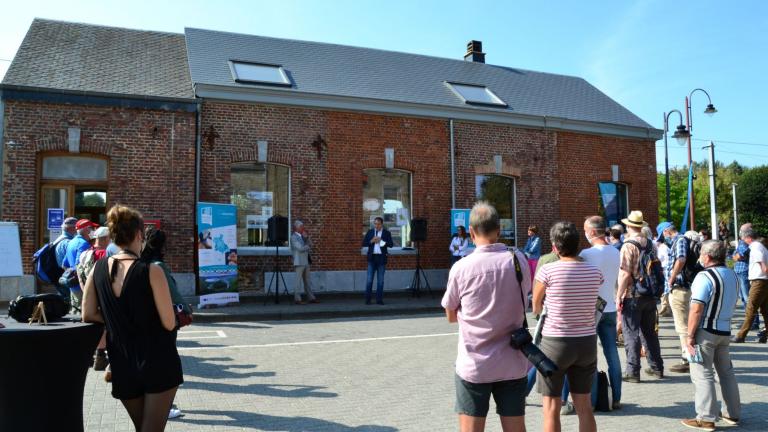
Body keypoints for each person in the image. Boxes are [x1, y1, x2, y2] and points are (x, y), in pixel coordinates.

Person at [82, 204, 182, 432]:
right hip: (157, 360)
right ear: (139, 234)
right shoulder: (151, 271)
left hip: (122, 362)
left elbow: (87, 314)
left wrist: (116, 317)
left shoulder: (97, 269)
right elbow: (168, 322)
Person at [441, 202, 530, 432]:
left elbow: (450, 314)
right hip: (513, 360)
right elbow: (525, 298)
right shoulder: (518, 260)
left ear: (471, 232)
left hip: (475, 363)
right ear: (499, 230)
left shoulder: (462, 268)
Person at [533, 221, 601, 432]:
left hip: (555, 342)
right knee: (584, 406)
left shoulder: (548, 271)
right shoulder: (594, 272)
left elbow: (535, 306)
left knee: (551, 407)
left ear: (554, 246)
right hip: (586, 341)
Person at [681, 240, 741, 431]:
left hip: (706, 331)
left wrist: (690, 336)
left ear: (707, 256)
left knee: (702, 374)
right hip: (725, 330)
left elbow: (696, 308)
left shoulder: (704, 276)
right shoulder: (732, 274)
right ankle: (732, 413)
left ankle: (706, 418)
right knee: (726, 372)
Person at [140, 227, 191, 422]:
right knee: (166, 366)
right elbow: (173, 294)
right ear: (162, 245)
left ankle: (152, 402)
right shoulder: (158, 266)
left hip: (146, 320)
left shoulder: (140, 263)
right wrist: (186, 310)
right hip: (163, 320)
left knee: (152, 362)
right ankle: (164, 406)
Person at [616, 211, 664, 382]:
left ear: (629, 226)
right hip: (650, 294)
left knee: (631, 334)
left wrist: (619, 296)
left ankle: (632, 371)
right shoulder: (651, 244)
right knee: (650, 333)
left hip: (633, 295)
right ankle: (657, 367)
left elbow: (625, 274)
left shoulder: (628, 245)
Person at [581, 215, 622, 410]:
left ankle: (594, 397)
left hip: (592, 308)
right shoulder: (615, 252)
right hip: (610, 307)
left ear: (591, 232)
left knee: (591, 355)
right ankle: (617, 397)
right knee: (612, 354)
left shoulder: (587, 254)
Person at [659, 222, 694, 373]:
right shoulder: (680, 240)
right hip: (681, 288)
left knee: (683, 327)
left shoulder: (679, 240)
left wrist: (671, 278)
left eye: (663, 235)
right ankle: (690, 357)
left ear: (667, 231)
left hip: (679, 288)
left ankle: (688, 359)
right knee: (685, 325)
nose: (663, 238)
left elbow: (681, 259)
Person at [77, 226, 113, 372]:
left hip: (86, 293)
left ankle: (93, 354)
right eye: (110, 238)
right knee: (106, 325)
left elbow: (79, 274)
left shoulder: (84, 254)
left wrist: (85, 291)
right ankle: (101, 355)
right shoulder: (106, 254)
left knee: (92, 325)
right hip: (102, 295)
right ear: (104, 239)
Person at [731, 226, 768, 343]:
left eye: (743, 238)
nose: (743, 241)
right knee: (765, 310)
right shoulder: (760, 247)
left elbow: (764, 268)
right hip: (762, 280)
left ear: (748, 238)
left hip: (759, 281)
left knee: (750, 308)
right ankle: (765, 333)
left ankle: (741, 335)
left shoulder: (756, 248)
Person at [62, 218, 99, 313]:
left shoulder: (72, 242)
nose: (93, 231)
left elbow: (64, 264)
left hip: (73, 286)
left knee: (75, 313)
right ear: (86, 229)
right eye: (91, 228)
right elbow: (79, 266)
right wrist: (84, 285)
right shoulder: (83, 244)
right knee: (82, 315)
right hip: (81, 286)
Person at [732, 223, 758, 330]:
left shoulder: (746, 244)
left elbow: (738, 256)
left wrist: (736, 256)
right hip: (740, 271)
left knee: (748, 298)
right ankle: (749, 321)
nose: (740, 233)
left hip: (744, 272)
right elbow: (734, 256)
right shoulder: (742, 243)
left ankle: (753, 322)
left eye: (742, 231)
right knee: (743, 298)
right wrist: (735, 256)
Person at [362, 217, 393, 305]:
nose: (376, 225)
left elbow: (391, 245)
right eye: (375, 224)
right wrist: (371, 241)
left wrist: (381, 241)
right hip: (372, 259)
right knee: (369, 280)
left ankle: (379, 300)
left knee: (380, 281)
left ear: (381, 224)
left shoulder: (386, 233)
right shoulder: (370, 232)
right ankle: (368, 300)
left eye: (378, 224)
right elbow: (364, 243)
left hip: (381, 259)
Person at [290, 220, 318, 305]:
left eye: (303, 226)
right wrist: (307, 245)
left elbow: (311, 245)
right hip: (299, 262)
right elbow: (300, 248)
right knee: (298, 281)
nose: (303, 228)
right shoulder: (293, 237)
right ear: (296, 228)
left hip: (306, 261)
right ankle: (297, 299)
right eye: (301, 226)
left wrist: (307, 238)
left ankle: (311, 298)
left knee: (308, 281)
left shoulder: (303, 236)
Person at [52, 217, 78, 299]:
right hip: (67, 277)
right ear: (72, 228)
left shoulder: (59, 240)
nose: (77, 230)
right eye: (76, 227)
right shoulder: (68, 242)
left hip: (60, 276)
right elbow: (71, 263)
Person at [656, 223, 672, 317]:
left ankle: (665, 307)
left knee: (665, 288)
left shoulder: (662, 247)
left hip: (664, 269)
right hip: (670, 269)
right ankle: (667, 307)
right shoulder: (669, 245)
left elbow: (659, 259)